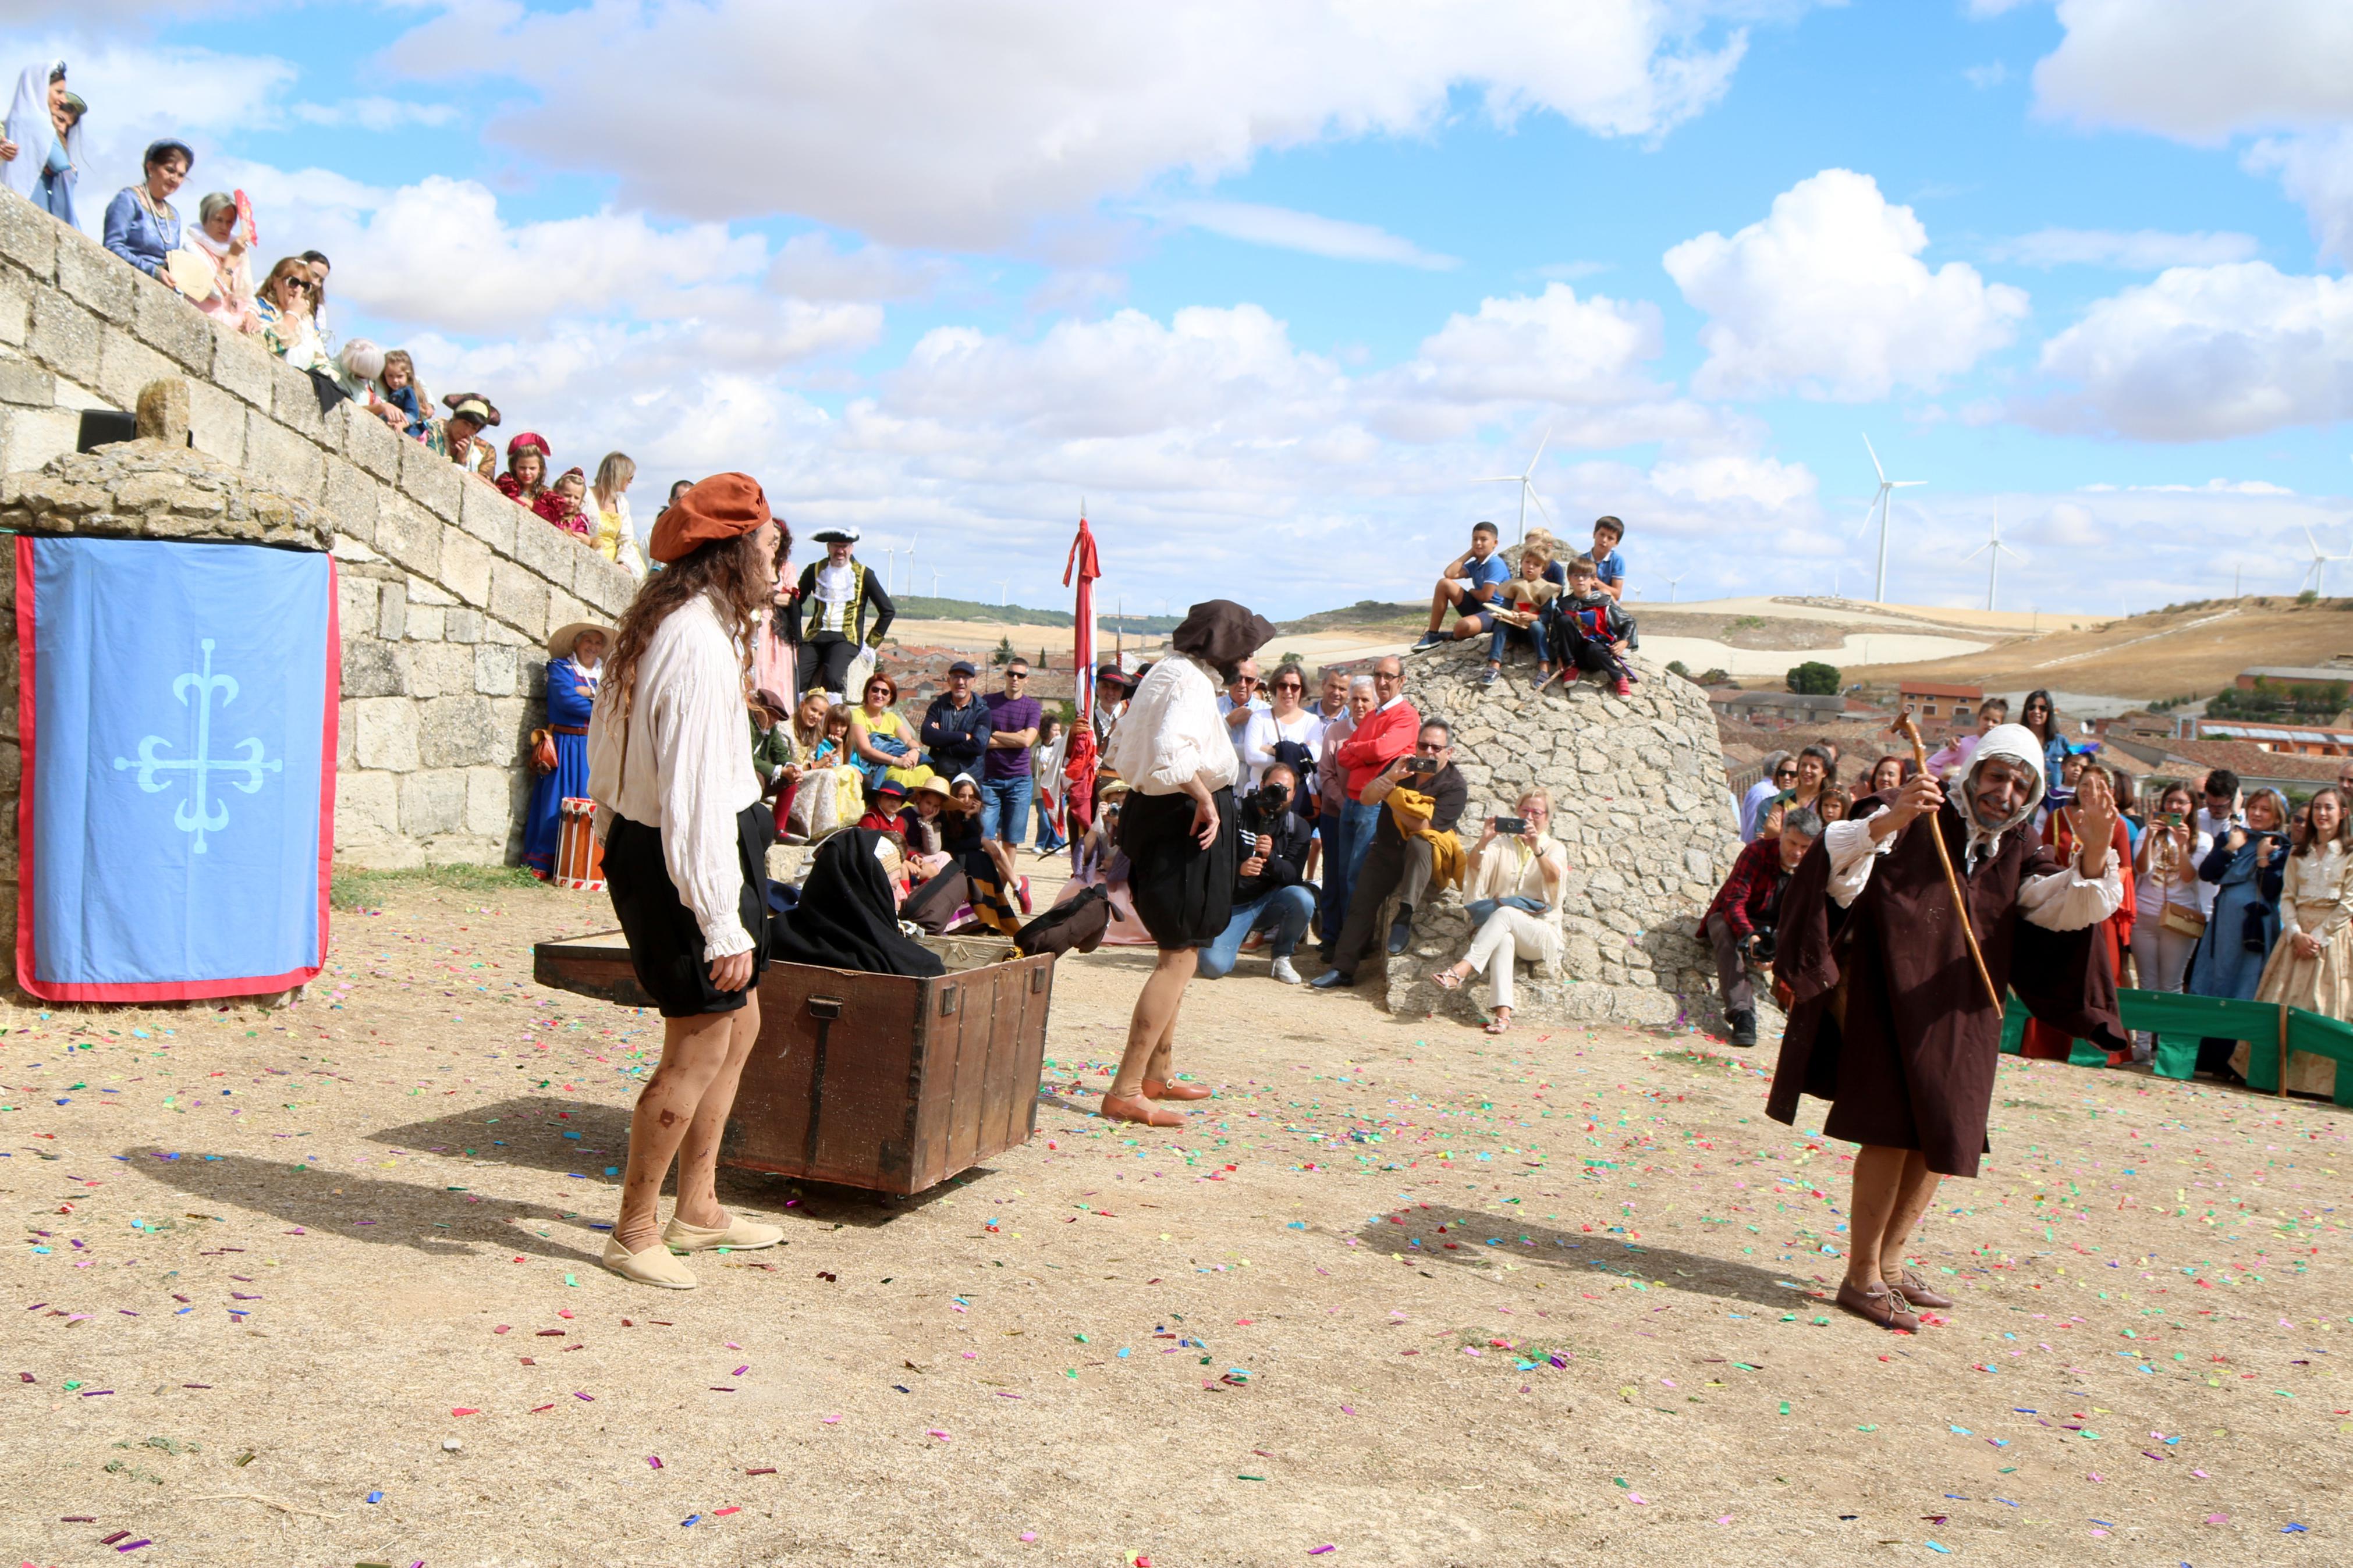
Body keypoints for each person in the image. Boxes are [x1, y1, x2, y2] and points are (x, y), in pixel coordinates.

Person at [1766, 724, 2124, 1331]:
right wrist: (1890, 818)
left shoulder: (2017, 843)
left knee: (1945, 1126)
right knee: (1889, 1127)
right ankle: (1860, 1276)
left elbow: (2058, 905)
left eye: (2019, 783)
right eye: (1995, 775)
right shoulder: (1914, 808)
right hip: (1884, 991)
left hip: (1961, 1005)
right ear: (1974, 770)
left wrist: (2092, 852)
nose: (2004, 791)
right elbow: (1835, 862)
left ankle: (1892, 1261)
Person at [585, 472, 786, 1288]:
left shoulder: (669, 619)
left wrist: (613, 833)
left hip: (672, 842)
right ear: (734, 552)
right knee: (699, 1041)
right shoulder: (695, 642)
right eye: (770, 551)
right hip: (683, 851)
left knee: (738, 1024)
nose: (778, 569)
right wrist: (719, 919)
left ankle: (696, 1207)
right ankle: (633, 1228)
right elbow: (692, 793)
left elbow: (611, 748)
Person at [1099, 599, 1273, 1127]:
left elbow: (1123, 745)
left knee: (1186, 946)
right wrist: (1201, 798)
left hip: (1166, 813)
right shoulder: (1189, 682)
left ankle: (1157, 1074)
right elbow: (1171, 753)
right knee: (1179, 955)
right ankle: (1127, 1087)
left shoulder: (1168, 673)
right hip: (1181, 817)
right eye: (1242, 647)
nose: (1245, 657)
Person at [1315, 719, 1467, 988]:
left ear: (1449, 752)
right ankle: (1342, 969)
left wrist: (1394, 800)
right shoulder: (1401, 768)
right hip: (1385, 848)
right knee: (1360, 906)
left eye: (1436, 747)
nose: (1429, 752)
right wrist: (1390, 780)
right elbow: (1367, 798)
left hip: (1421, 855)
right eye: (1424, 745)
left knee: (1421, 842)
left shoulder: (1454, 785)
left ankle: (1404, 915)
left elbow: (1426, 826)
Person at [2021, 766, 2139, 1065]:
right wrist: (2065, 878)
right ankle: (2046, 1044)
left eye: (2099, 784)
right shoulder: (2059, 817)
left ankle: (2102, 1048)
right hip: (2058, 902)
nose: (2090, 789)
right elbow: (2043, 855)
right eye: (2085, 783)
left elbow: (2126, 868)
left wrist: (2095, 872)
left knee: (2100, 974)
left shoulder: (2118, 824)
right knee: (2054, 969)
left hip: (2099, 906)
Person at [2241, 787, 2353, 1096]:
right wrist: (2295, 933)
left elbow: (2349, 903)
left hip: (2331, 938)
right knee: (2284, 1001)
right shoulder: (2297, 853)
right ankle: (2276, 1076)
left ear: (2343, 813)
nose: (2322, 814)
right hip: (2295, 934)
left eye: (2329, 808)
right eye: (2318, 807)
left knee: (2325, 1005)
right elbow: (2287, 896)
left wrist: (2317, 938)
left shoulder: (2350, 853)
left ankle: (2320, 1083)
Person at [1431, 787, 1570, 1033]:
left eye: (1536, 812)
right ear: (1516, 811)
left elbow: (1554, 879)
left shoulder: (1554, 848)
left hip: (1541, 933)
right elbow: (1475, 870)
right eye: (1524, 810)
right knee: (1503, 936)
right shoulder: (1502, 844)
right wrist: (1485, 840)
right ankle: (1503, 1015)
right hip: (1505, 928)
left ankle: (1461, 970)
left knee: (1504, 913)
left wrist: (1537, 849)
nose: (1529, 816)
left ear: (1547, 817)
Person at [2187, 787, 2290, 1080]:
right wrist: (2230, 848)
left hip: (2254, 930)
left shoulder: (2282, 847)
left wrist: (2262, 859)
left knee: (2245, 988)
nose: (2257, 814)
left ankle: (2236, 1062)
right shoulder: (2234, 836)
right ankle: (2208, 1058)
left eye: (2265, 810)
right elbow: (2208, 873)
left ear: (2277, 816)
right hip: (2223, 928)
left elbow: (2273, 890)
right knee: (2215, 982)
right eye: (2254, 807)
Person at [1323, 656, 1418, 961]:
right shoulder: (1374, 716)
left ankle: (1354, 947)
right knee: (1341, 873)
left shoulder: (1406, 716)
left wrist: (1363, 750)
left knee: (1357, 876)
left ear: (1401, 680)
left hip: (1374, 805)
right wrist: (1368, 752)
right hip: (1352, 802)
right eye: (1378, 675)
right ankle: (1343, 942)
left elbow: (1376, 750)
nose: (1382, 681)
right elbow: (1344, 757)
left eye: (1389, 676)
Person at [1705, 806, 1822, 1047]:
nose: (1797, 853)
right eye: (1792, 843)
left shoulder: (1812, 868)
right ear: (1782, 833)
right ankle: (1742, 1013)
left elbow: (1802, 918)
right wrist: (1748, 935)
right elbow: (1734, 901)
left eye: (1804, 847)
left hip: (1778, 928)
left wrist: (1778, 951)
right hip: (1738, 919)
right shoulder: (1756, 853)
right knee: (1721, 927)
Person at [1196, 763, 1316, 984]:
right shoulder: (1235, 812)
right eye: (1273, 787)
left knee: (1302, 898)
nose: (1278, 794)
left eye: (1285, 790)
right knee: (1213, 967)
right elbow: (1207, 860)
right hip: (1229, 905)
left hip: (1267, 901)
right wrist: (1238, 870)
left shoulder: (1297, 827)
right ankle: (1221, 939)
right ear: (1262, 785)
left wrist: (1270, 858)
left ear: (1294, 795)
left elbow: (1292, 877)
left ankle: (1282, 956)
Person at [522, 621, 611, 879]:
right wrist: (600, 703)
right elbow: (566, 700)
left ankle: (584, 864)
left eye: (598, 643)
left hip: (593, 745)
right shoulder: (560, 668)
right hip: (564, 743)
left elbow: (618, 699)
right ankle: (543, 860)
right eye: (588, 642)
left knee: (589, 799)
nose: (592, 648)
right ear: (576, 643)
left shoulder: (604, 674)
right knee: (556, 799)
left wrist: (590, 692)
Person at [2127, 783, 2209, 1055]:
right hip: (2146, 915)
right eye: (2170, 801)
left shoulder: (2203, 839)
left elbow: (2189, 877)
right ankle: (2141, 1047)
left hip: (2180, 920)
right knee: (2147, 984)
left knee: (2171, 986)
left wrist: (2184, 846)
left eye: (2181, 803)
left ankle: (2168, 1051)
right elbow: (2142, 869)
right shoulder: (2146, 832)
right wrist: (2150, 839)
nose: (2175, 807)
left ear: (2192, 808)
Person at [785, 526, 894, 699]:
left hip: (846, 638)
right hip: (815, 636)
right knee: (796, 677)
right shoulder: (815, 570)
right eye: (836, 546)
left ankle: (832, 723)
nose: (840, 551)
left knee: (833, 678)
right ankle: (795, 722)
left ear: (852, 548)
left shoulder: (864, 574)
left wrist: (871, 644)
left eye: (845, 546)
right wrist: (797, 637)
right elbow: (796, 602)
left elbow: (888, 610)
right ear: (828, 547)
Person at [1, 62, 84, 227]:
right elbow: (64, 170)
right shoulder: (39, 124)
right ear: (41, 88)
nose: (62, 99)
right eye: (59, 92)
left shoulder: (13, 124)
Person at [1542, 554, 1636, 697]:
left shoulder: (1604, 602)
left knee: (1595, 649)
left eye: (1585, 576)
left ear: (1593, 580)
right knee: (1564, 621)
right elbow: (1556, 634)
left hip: (1597, 651)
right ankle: (1571, 666)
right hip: (1574, 652)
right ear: (1569, 579)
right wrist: (1560, 656)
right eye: (1576, 575)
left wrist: (1624, 642)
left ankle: (1618, 678)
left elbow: (1629, 621)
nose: (1580, 579)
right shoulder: (1563, 605)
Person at [1410, 521, 1511, 653]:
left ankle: (1448, 636)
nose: (1478, 543)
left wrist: (1472, 591)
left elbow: (1486, 596)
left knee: (1462, 626)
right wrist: (1470, 553)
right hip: (1478, 608)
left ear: (1495, 543)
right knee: (1444, 583)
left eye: (1484, 540)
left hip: (1494, 613)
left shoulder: (1495, 563)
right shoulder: (1476, 563)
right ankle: (1433, 634)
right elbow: (1449, 574)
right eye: (1475, 540)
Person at [102, 138, 190, 280]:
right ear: (151, 168)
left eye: (181, 175)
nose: (175, 179)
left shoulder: (174, 215)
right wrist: (152, 271)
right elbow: (113, 247)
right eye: (170, 170)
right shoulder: (129, 199)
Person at [981, 657, 1043, 848]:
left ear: (1027, 679)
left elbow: (1027, 740)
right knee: (983, 836)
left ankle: (1005, 879)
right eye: (1011, 673)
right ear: (1005, 676)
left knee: (1011, 840)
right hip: (988, 779)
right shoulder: (987, 702)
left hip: (1020, 782)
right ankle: (985, 878)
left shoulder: (1033, 707)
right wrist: (1014, 739)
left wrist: (995, 733)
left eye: (1020, 675)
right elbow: (981, 740)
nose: (1015, 678)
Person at [780, 691, 860, 842]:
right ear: (803, 705)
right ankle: (823, 831)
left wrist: (825, 763)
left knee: (843, 772)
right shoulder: (785, 729)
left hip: (806, 775)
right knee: (829, 775)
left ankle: (840, 826)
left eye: (821, 714)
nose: (816, 716)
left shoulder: (814, 732)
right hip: (787, 778)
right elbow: (785, 765)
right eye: (813, 710)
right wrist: (817, 765)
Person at [175, 191, 257, 332]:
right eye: (219, 220)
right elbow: (214, 292)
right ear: (205, 220)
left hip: (234, 331)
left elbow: (247, 294)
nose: (224, 227)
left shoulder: (238, 251)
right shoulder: (192, 249)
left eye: (229, 222)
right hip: (203, 327)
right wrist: (232, 257)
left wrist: (250, 314)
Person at [1240, 664, 1326, 798]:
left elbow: (1314, 756)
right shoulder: (1259, 717)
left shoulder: (1312, 721)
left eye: (1295, 687)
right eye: (1283, 685)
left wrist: (1273, 750)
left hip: (1298, 799)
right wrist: (1297, 755)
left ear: (1302, 690)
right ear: (1275, 688)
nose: (1288, 691)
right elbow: (1252, 757)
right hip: (1261, 797)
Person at [1483, 543, 1559, 687]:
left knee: (1537, 626)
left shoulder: (1546, 588)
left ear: (1543, 569)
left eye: (1536, 565)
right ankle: (1494, 665)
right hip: (1515, 628)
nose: (1530, 567)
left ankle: (1544, 666)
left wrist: (1534, 618)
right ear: (1522, 563)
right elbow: (1505, 607)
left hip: (1533, 633)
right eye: (1527, 562)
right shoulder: (1514, 585)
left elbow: (1548, 616)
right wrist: (1508, 614)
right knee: (1501, 625)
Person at [253, 257, 338, 377]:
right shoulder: (260, 308)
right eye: (293, 282)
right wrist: (293, 314)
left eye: (305, 286)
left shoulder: (308, 321)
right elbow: (269, 346)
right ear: (275, 281)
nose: (299, 289)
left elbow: (320, 361)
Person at [847, 672, 925, 790]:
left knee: (925, 771)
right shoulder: (857, 715)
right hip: (871, 765)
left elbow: (909, 739)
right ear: (867, 693)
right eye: (875, 690)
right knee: (901, 776)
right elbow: (865, 750)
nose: (879, 695)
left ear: (890, 698)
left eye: (885, 692)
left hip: (895, 761)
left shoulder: (891, 718)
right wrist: (896, 761)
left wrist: (915, 751)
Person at [919, 660, 992, 777]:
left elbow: (978, 746)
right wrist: (963, 736)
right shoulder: (938, 707)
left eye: (966, 677)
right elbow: (927, 735)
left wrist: (941, 745)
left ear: (974, 681)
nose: (960, 682)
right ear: (949, 681)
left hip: (968, 779)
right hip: (938, 775)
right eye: (956, 677)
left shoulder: (982, 712)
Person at [588, 453, 648, 578]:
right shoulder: (587, 496)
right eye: (630, 476)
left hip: (614, 564)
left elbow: (626, 539)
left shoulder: (622, 503)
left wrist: (623, 563)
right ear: (619, 474)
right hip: (590, 553)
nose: (631, 481)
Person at [428, 394, 498, 479]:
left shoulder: (480, 449)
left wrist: (462, 461)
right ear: (455, 417)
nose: (467, 432)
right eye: (465, 423)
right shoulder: (431, 431)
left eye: (474, 428)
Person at [1032, 713, 1069, 855]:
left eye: (1059, 730)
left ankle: (1058, 844)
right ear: (1046, 730)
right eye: (1055, 730)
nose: (1058, 733)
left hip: (1058, 788)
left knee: (1058, 816)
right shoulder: (1036, 748)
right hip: (1041, 788)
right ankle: (1041, 843)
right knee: (1043, 816)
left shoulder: (1063, 748)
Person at [378, 350, 431, 440]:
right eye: (390, 376)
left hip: (411, 433)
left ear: (408, 376)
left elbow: (413, 414)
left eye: (400, 376)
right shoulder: (388, 392)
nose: (395, 380)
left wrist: (401, 425)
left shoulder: (407, 392)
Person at [1742, 752, 1795, 843]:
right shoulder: (1765, 800)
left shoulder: (1807, 804)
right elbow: (1760, 838)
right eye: (1782, 773)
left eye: (1793, 774)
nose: (1786, 777)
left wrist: (1776, 834)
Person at [2019, 689, 2067, 783]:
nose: (2036, 711)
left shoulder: (2061, 743)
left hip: (2053, 796)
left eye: (2043, 708)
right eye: (2032, 707)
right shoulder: (2018, 741)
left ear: (2049, 713)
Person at [498, 433, 551, 508]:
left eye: (532, 468)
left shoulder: (546, 496)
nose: (527, 473)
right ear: (514, 466)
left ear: (540, 468)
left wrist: (528, 503)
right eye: (522, 468)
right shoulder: (505, 485)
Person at [1588, 515, 1628, 601]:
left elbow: (1617, 594)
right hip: (1586, 601)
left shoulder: (1617, 561)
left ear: (1616, 543)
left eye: (1610, 538)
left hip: (1607, 604)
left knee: (1605, 593)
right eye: (1602, 535)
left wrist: (1598, 584)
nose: (1604, 540)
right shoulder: (1583, 560)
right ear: (1594, 534)